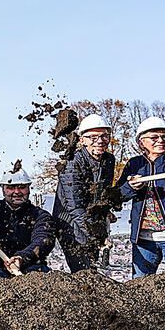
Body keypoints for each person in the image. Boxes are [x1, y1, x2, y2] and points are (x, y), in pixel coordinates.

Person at [51, 114, 118, 273]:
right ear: (82, 140)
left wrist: (106, 211)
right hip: (69, 222)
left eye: (104, 136)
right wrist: (97, 236)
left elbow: (103, 193)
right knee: (84, 271)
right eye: (93, 137)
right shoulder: (72, 162)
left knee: (93, 269)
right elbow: (75, 207)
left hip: (91, 220)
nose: (100, 141)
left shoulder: (108, 160)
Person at [0, 169, 56, 277]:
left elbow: (43, 240)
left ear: (29, 188)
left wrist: (22, 258)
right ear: (3, 190)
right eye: (11, 188)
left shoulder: (40, 216)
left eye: (21, 187)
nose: (17, 192)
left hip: (32, 268)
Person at [118, 116, 165, 277]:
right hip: (144, 240)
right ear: (141, 142)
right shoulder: (134, 164)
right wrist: (130, 187)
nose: (160, 140)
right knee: (139, 286)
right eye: (154, 137)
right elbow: (118, 195)